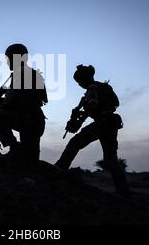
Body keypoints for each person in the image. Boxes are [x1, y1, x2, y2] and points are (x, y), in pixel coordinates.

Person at [55, 65, 131, 197]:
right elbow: (115, 104)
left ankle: (59, 170)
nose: (79, 85)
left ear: (84, 79)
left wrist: (79, 122)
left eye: (79, 82)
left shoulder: (92, 88)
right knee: (111, 158)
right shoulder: (104, 87)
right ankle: (123, 191)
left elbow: (92, 105)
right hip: (111, 123)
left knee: (75, 143)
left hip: (102, 123)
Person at [0, 44, 47, 163]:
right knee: (30, 162)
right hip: (32, 121)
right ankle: (17, 151)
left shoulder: (25, 75)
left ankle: (15, 149)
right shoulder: (26, 74)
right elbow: (18, 100)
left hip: (30, 121)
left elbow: (17, 102)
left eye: (9, 58)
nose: (7, 62)